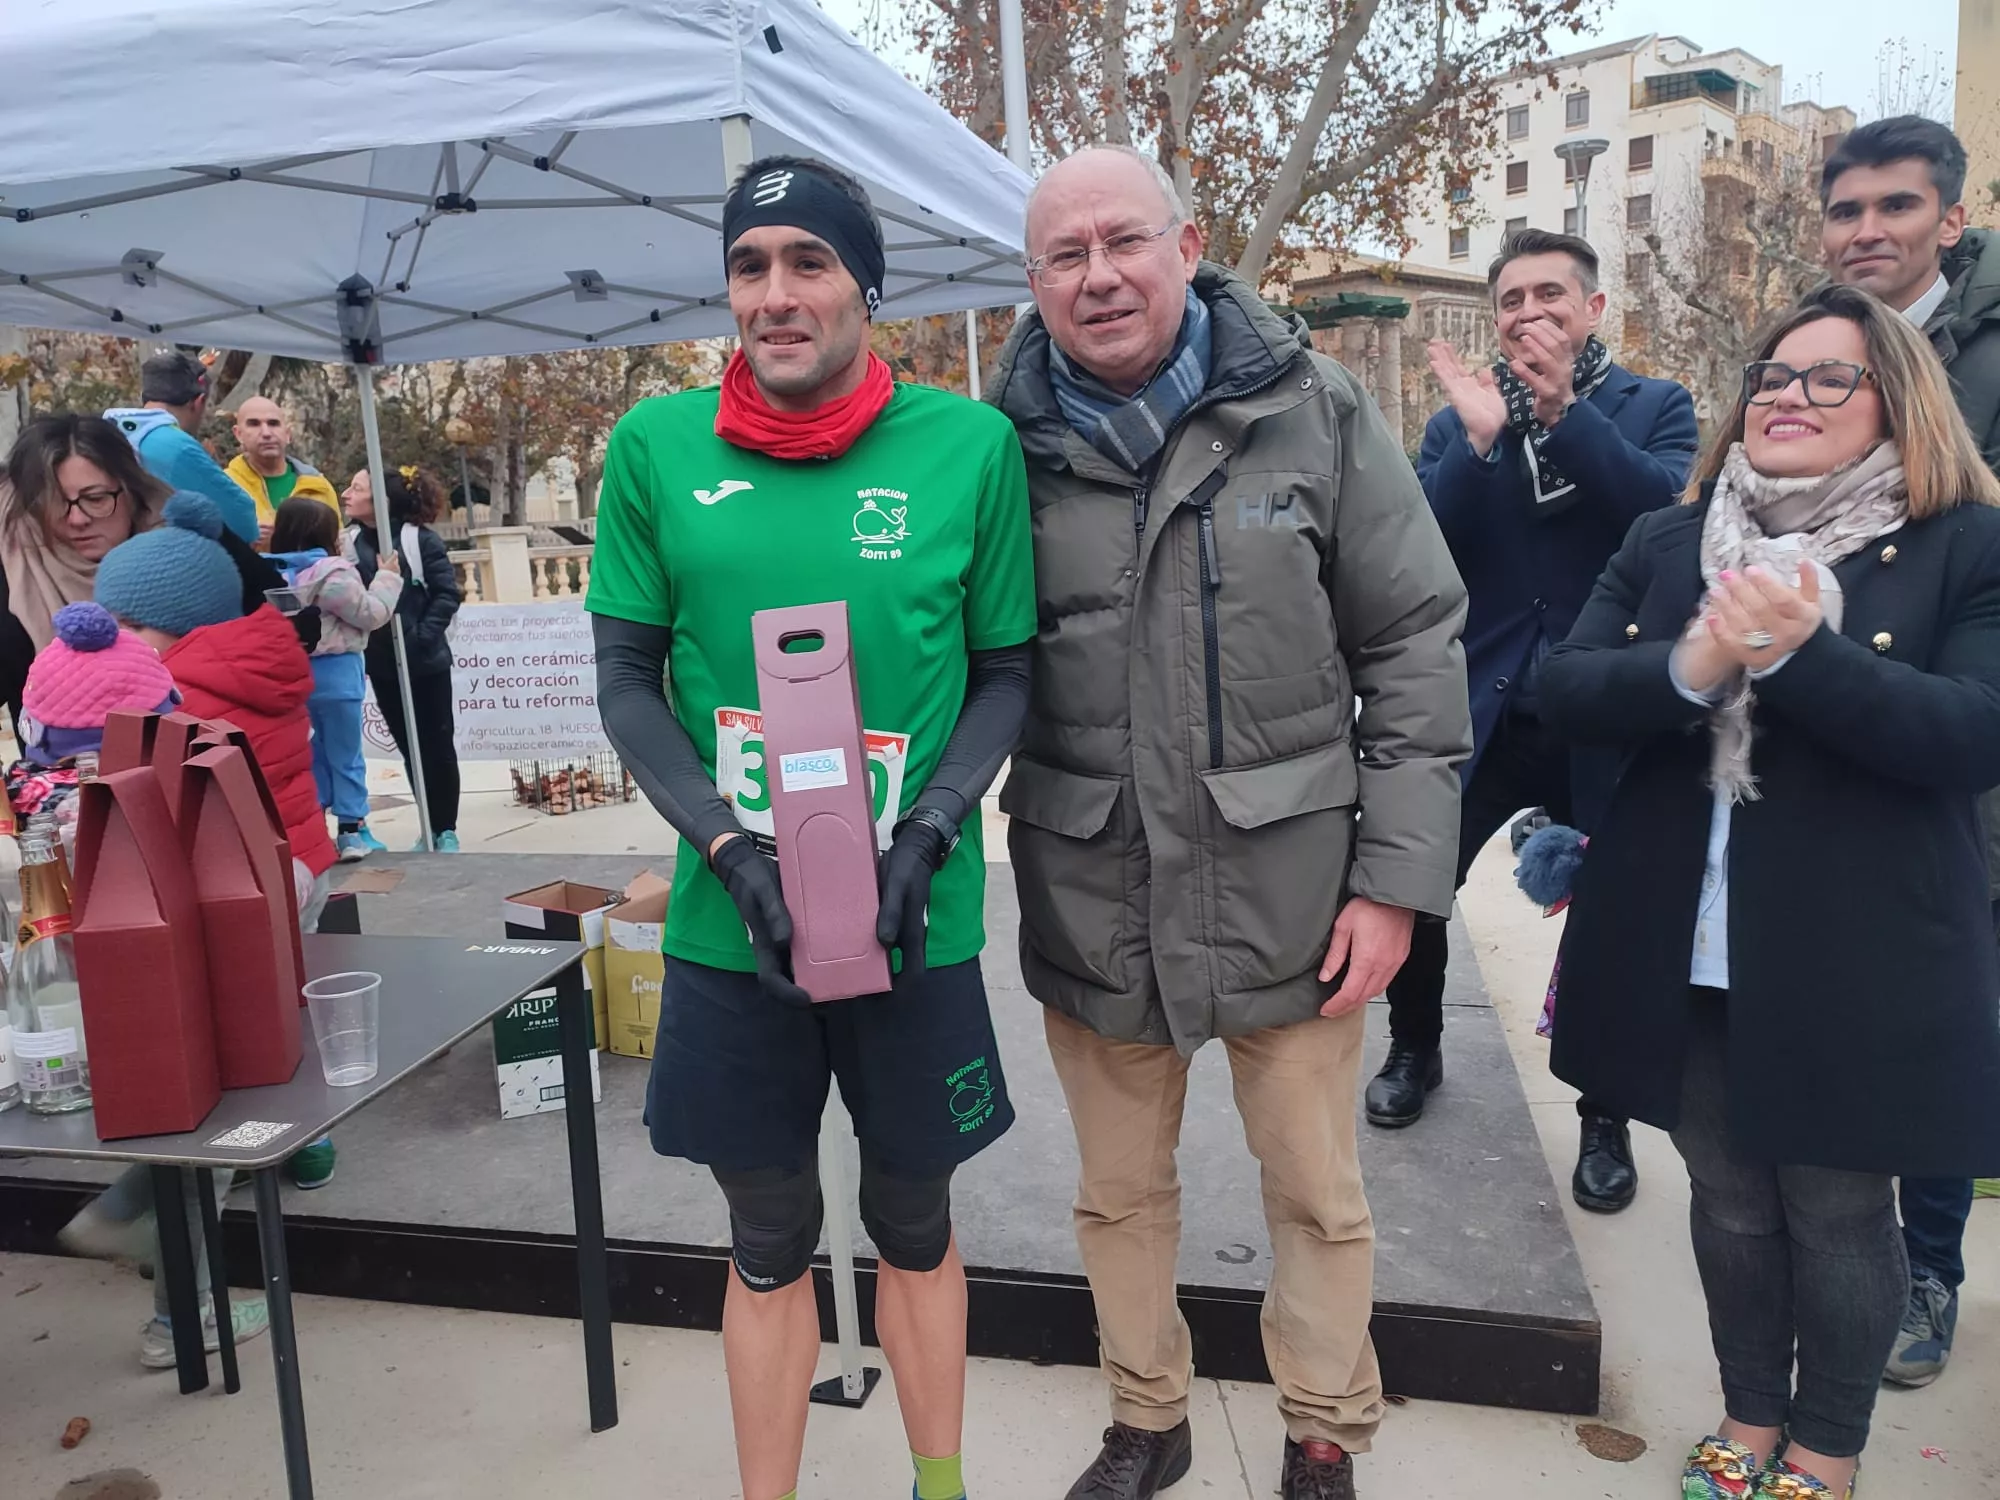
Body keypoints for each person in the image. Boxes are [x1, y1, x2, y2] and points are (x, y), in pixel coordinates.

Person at [987, 144, 1470, 1500]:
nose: (1099, 275)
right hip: (1095, 885)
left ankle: (1322, 1432)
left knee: (1319, 1193)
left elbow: (1418, 646)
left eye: (1122, 241)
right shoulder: (996, 452)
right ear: (1034, 282)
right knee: (1116, 1197)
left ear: (1187, 244)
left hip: (1298, 891)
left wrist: (1398, 882)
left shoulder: (1312, 412)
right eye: (1064, 255)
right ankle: (1149, 1416)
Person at [588, 154, 1033, 1500]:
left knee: (914, 1220)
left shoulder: (972, 449)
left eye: (809, 262)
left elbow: (1007, 670)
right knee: (768, 1233)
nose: (775, 294)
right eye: (748, 265)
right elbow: (626, 678)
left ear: (866, 288)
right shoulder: (656, 449)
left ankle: (938, 1487)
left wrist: (935, 831)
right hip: (738, 932)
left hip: (916, 913)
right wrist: (730, 852)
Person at [1539, 283, 2000, 1500]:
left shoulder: (1964, 541)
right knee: (1733, 1202)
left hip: (1858, 952)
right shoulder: (1668, 536)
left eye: (1827, 376)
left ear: (1895, 397)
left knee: (1839, 1212)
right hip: (1679, 938)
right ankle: (1748, 1427)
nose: (1787, 395)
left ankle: (1824, 1453)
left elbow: (1971, 737)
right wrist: (1692, 663)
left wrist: (1801, 656)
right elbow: (1563, 688)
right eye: (1772, 374)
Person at [1381, 229, 1699, 1213]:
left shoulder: (1657, 409)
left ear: (1592, 308)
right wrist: (1478, 446)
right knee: (1414, 881)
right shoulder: (1458, 419)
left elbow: (1651, 515)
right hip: (1485, 706)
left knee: (1608, 914)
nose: (1528, 312)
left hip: (1603, 709)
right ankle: (1413, 1047)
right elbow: (1428, 547)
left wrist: (1559, 416)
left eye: (1549, 294)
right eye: (1510, 298)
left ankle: (1602, 1117)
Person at [1819, 113, 2000, 1389]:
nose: (1865, 231)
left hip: (1954, 723)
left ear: (1949, 213)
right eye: (1845, 210)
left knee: (1942, 1018)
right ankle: (1836, 1252)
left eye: (1893, 206)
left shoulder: (1987, 351)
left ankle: (1923, 1269)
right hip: (1825, 716)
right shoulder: (1814, 345)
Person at [0, 414, 170, 717]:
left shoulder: (189, 544)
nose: (77, 519)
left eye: (96, 498)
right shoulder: (15, 560)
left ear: (131, 490)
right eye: (55, 501)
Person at [270, 495, 403, 862]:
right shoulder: (333, 573)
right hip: (339, 673)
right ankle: (351, 831)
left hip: (291, 675)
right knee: (345, 753)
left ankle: (311, 823)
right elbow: (370, 613)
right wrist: (388, 578)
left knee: (308, 753)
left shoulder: (271, 573)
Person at [343, 466, 462, 851]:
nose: (346, 493)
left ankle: (446, 828)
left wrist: (419, 639)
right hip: (382, 666)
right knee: (410, 746)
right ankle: (428, 824)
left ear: (381, 498)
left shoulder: (417, 541)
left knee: (437, 744)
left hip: (426, 663)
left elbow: (446, 594)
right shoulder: (349, 543)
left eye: (356, 488)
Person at [103, 351, 258, 543]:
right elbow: (242, 520)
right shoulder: (176, 448)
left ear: (145, 397)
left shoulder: (103, 433)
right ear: (199, 402)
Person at [227, 396, 343, 544]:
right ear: (238, 434)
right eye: (254, 424)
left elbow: (339, 546)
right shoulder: (224, 486)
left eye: (273, 423)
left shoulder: (318, 486)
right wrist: (244, 538)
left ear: (287, 434)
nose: (266, 433)